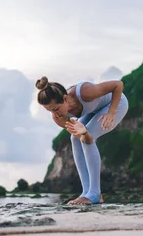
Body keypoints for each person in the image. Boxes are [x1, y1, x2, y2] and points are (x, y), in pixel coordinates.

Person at [35, 76, 128, 205]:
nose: (55, 114)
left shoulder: (85, 92)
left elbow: (118, 85)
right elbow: (83, 137)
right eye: (49, 111)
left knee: (88, 135)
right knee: (75, 138)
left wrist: (111, 112)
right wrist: (83, 133)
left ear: (65, 98)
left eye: (56, 109)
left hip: (115, 103)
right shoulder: (58, 118)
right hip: (92, 111)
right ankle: (86, 192)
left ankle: (94, 194)